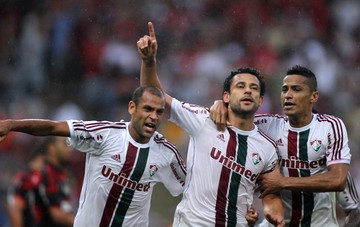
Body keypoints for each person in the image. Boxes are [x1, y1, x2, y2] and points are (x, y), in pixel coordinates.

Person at [137, 21, 284, 226]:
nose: (248, 91)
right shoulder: (203, 120)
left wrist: (272, 214)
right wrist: (149, 61)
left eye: (254, 88)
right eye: (241, 86)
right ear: (226, 96)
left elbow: (272, 195)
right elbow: (155, 96)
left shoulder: (267, 149)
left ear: (260, 101)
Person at [0, 85, 187, 227]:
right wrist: (12, 125)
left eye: (159, 112)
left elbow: (194, 192)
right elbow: (53, 127)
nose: (154, 116)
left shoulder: (167, 153)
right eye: (148, 109)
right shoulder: (104, 134)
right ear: (132, 108)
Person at [210, 65, 352, 226]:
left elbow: (337, 180)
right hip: (275, 223)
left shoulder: (330, 126)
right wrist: (222, 104)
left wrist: (282, 182)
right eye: (285, 90)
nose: (288, 95)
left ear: (314, 96)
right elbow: (235, 116)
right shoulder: (268, 125)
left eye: (296, 89)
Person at [6, 136, 75, 227]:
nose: (70, 149)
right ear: (51, 148)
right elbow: (15, 209)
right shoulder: (38, 173)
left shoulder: (60, 174)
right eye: (65, 144)